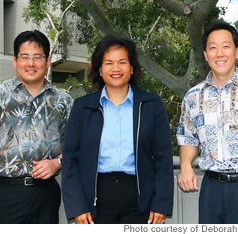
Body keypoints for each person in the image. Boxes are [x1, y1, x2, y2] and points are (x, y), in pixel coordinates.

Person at [62, 36, 174, 224]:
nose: (116, 68)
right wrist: (77, 206)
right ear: (99, 69)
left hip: (141, 201)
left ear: (132, 68)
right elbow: (70, 159)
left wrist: (161, 203)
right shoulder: (83, 107)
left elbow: (163, 158)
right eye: (109, 63)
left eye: (122, 62)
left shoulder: (150, 104)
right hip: (95, 202)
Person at [177, 20, 238, 224]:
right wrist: (186, 165)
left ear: (237, 52)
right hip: (211, 190)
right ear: (205, 55)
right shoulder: (193, 96)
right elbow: (187, 137)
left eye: (226, 46)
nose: (219, 53)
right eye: (213, 48)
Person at [0, 30, 73, 224]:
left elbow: (77, 145)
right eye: (25, 57)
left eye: (37, 57)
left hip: (46, 193)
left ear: (47, 62)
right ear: (15, 61)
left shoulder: (63, 101)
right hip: (3, 193)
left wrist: (57, 163)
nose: (31, 63)